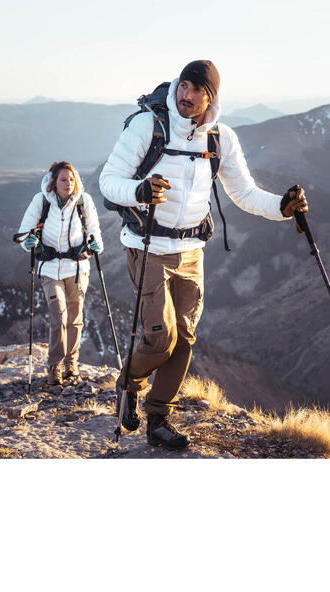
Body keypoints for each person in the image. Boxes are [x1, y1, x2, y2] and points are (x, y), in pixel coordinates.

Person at [100, 60, 308, 450]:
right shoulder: (148, 127)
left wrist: (283, 207)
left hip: (191, 251)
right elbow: (109, 182)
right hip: (149, 246)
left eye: (197, 90)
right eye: (183, 86)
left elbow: (243, 193)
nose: (186, 95)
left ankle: (159, 417)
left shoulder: (220, 139)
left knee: (185, 339)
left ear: (210, 97)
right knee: (161, 338)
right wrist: (140, 192)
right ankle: (129, 382)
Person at [18, 161, 102, 386]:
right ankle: (54, 367)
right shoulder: (41, 201)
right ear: (54, 182)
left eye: (72, 179)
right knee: (59, 317)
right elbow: (23, 233)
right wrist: (29, 242)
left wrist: (96, 246)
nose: (69, 183)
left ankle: (71, 364)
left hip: (77, 268)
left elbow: (94, 231)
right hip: (50, 269)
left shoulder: (84, 201)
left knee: (75, 319)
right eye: (63, 179)